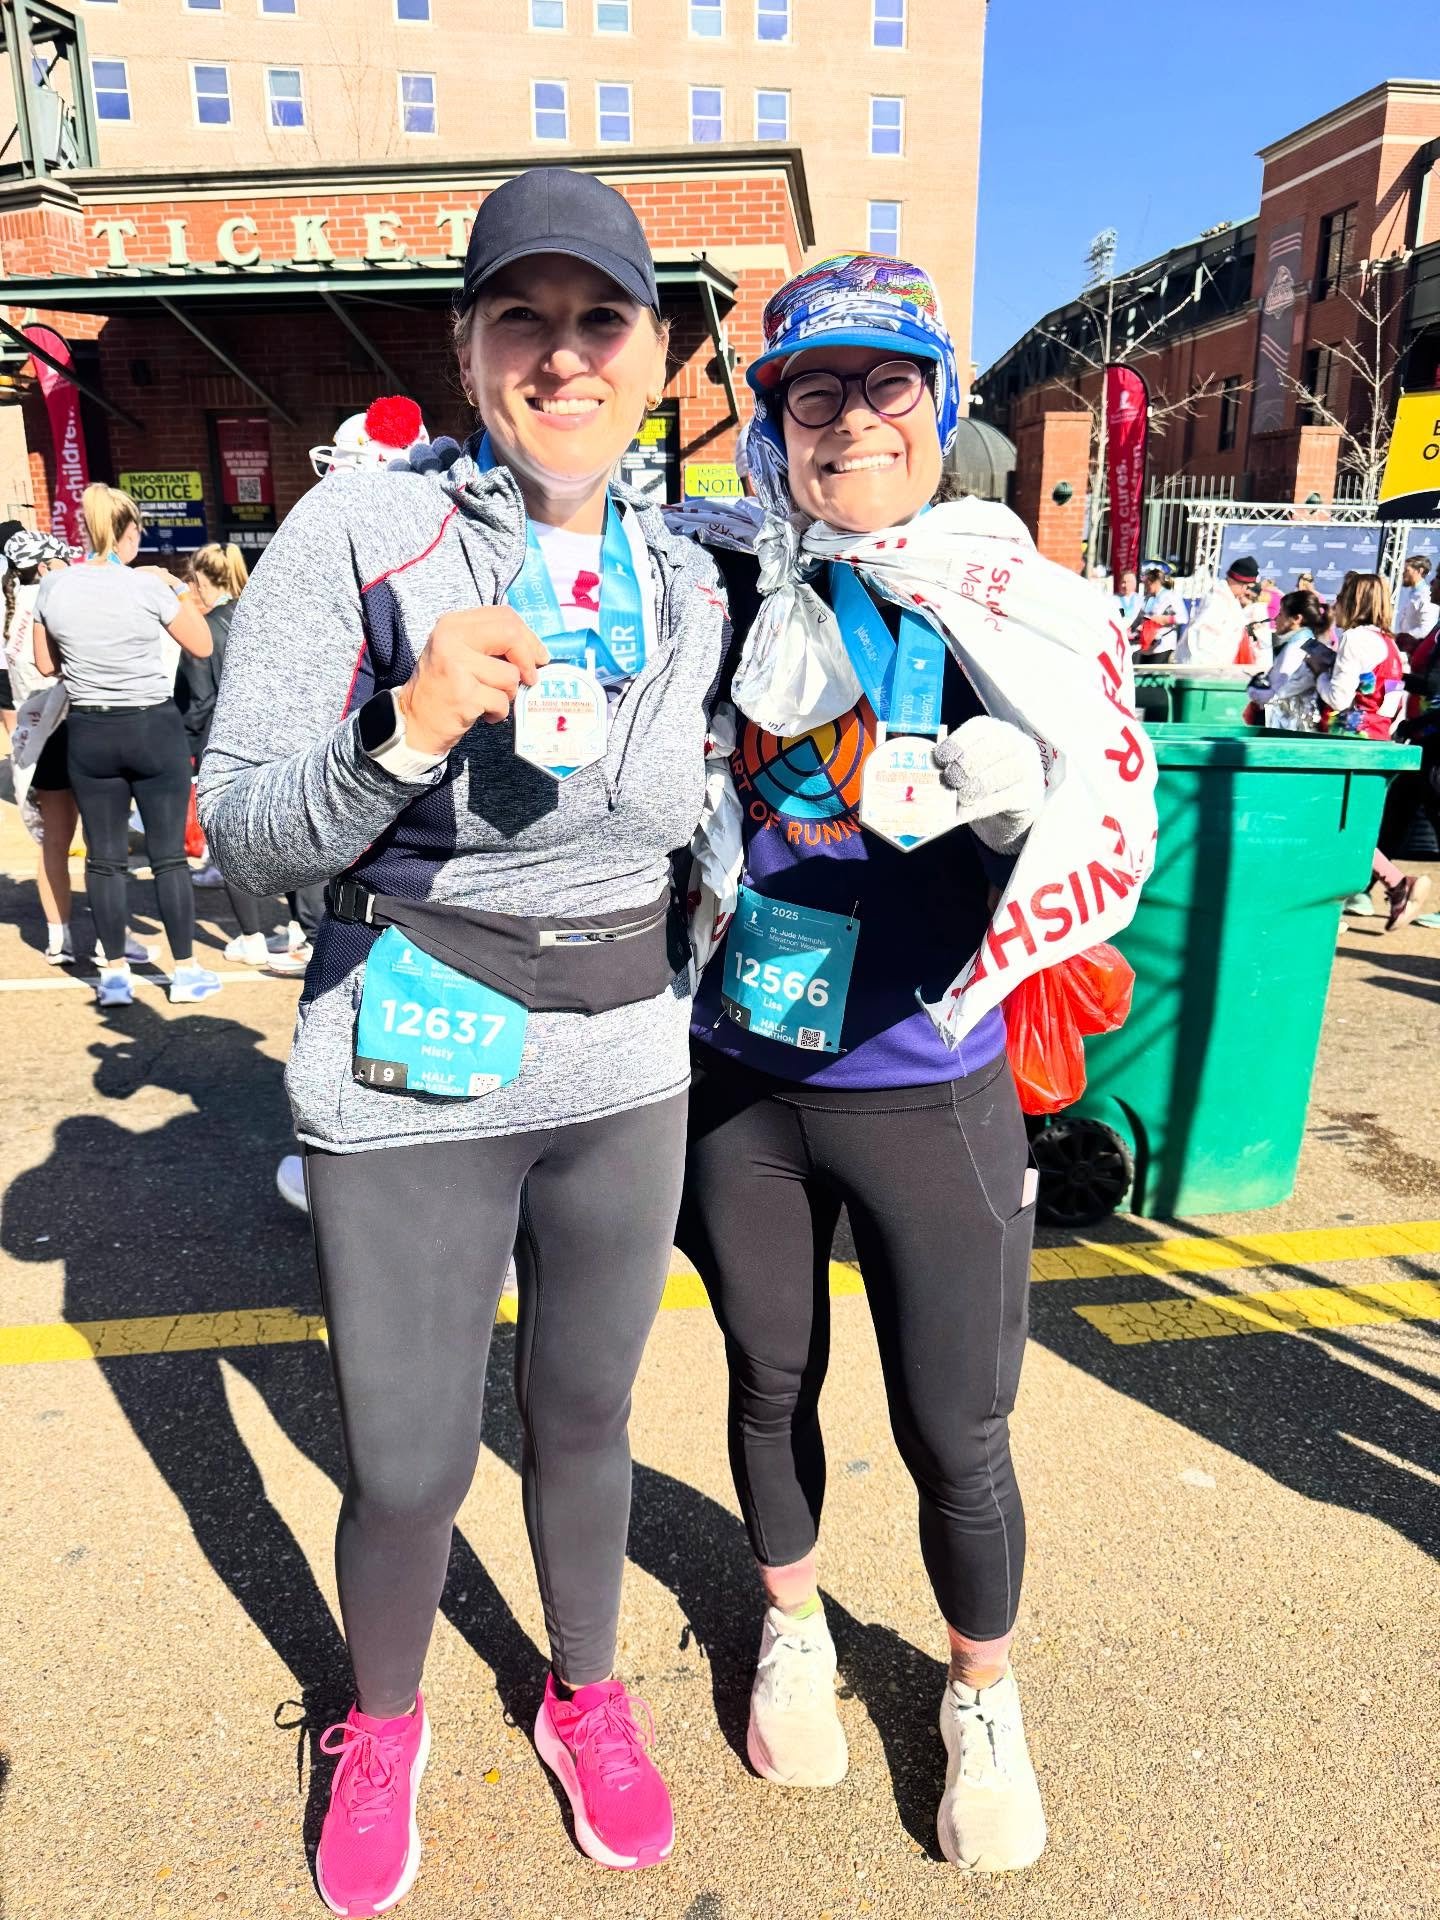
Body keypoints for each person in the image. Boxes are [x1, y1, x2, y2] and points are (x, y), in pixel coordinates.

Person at [199, 167, 728, 1909]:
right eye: (524, 318)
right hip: (413, 1055)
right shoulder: (358, 536)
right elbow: (245, 832)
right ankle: (387, 1716)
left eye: (600, 322)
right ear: (469, 343)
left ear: (654, 356)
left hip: (624, 1064)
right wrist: (407, 729)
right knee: (412, 1460)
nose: (562, 356)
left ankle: (586, 1690)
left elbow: (702, 820)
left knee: (585, 1415)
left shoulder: (697, 575)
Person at [671, 252, 1156, 1876]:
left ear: (941, 409)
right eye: (817, 390)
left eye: (888, 385)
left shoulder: (1019, 595)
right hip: (739, 1083)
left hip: (927, 1079)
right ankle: (793, 1622)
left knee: (960, 1428)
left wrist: (1015, 797)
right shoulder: (714, 575)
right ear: (772, 422)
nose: (853, 418)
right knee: (765, 1379)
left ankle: (982, 1697)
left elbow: (1095, 808)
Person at [32, 487, 222, 1007]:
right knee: (167, 858)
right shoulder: (147, 585)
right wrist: (174, 588)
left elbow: (46, 665)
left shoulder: (56, 587)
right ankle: (184, 971)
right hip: (152, 728)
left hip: (90, 729)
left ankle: (113, 974)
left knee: (104, 858)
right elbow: (202, 644)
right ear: (128, 531)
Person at [1316, 572, 1430, 930]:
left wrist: (1318, 671)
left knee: (1334, 825)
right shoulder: (1390, 644)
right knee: (1349, 826)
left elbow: (1337, 697)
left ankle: (1393, 884)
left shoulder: (1354, 639)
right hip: (1377, 741)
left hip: (1350, 744)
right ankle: (1392, 885)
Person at [1246, 587, 1325, 731]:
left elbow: (1275, 694)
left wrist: (1252, 690)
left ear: (1297, 619)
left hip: (1288, 726)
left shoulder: (1295, 649)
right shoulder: (1308, 644)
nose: (1276, 619)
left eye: (1281, 614)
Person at [1176, 553, 1261, 667]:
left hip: (1218, 667)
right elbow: (1202, 637)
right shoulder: (1217, 600)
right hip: (1204, 667)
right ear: (1237, 581)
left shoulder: (1230, 599)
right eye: (1247, 587)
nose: (1246, 592)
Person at [1134, 562, 1186, 658]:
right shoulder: (1147, 598)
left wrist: (1164, 619)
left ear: (1156, 582)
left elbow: (1183, 618)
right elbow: (1141, 616)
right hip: (1147, 645)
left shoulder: (1171, 596)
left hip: (1163, 645)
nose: (1146, 587)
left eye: (1148, 584)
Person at [1395, 553, 1438, 653]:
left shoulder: (1427, 596)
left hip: (1416, 651)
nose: (1403, 574)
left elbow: (1427, 628)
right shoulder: (1413, 593)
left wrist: (1403, 638)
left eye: (1407, 570)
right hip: (1406, 650)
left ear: (1419, 571)